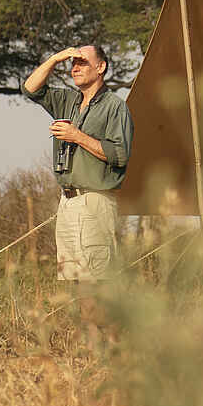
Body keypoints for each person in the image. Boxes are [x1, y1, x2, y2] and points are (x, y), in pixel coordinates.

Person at [22, 45, 132, 282]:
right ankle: (87, 322)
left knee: (97, 282)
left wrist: (76, 136)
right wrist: (55, 58)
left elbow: (119, 155)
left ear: (100, 67)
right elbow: (30, 89)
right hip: (67, 202)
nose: (75, 68)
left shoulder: (115, 106)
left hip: (96, 201)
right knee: (74, 283)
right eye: (73, 63)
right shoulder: (68, 100)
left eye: (82, 62)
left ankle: (106, 321)